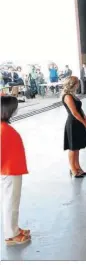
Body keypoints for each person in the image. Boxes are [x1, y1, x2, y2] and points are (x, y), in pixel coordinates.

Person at [1, 96, 31, 246]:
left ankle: (13, 228)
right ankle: (11, 235)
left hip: (12, 169)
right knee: (11, 202)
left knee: (12, 201)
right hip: (9, 171)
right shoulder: (3, 130)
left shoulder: (4, 127)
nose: (16, 110)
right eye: (14, 108)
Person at [61, 77, 86, 178]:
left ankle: (78, 167)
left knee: (77, 147)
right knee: (73, 148)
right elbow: (74, 112)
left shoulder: (73, 95)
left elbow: (80, 110)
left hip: (78, 122)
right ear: (73, 84)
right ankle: (73, 169)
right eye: (77, 82)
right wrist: (83, 122)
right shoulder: (67, 96)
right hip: (73, 123)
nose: (79, 84)